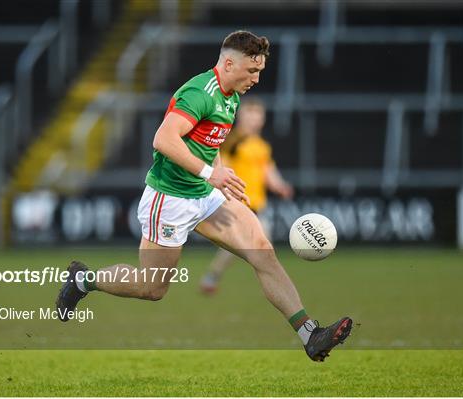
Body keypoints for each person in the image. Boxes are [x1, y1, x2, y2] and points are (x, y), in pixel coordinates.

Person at [56, 30, 352, 361]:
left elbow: (210, 143)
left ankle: (310, 334)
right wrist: (211, 174)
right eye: (252, 71)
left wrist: (220, 180)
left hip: (206, 196)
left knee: (263, 253)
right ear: (228, 63)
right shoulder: (200, 92)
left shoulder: (232, 96)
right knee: (151, 288)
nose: (256, 79)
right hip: (168, 200)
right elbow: (163, 139)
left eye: (260, 72)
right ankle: (83, 281)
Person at [199, 96, 294, 295]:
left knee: (244, 246)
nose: (254, 119)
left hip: (259, 203)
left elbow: (268, 171)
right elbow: (220, 166)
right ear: (241, 116)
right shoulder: (233, 141)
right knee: (261, 247)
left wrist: (280, 185)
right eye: (250, 114)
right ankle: (275, 287)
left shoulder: (262, 146)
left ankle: (213, 276)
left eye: (258, 115)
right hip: (238, 201)